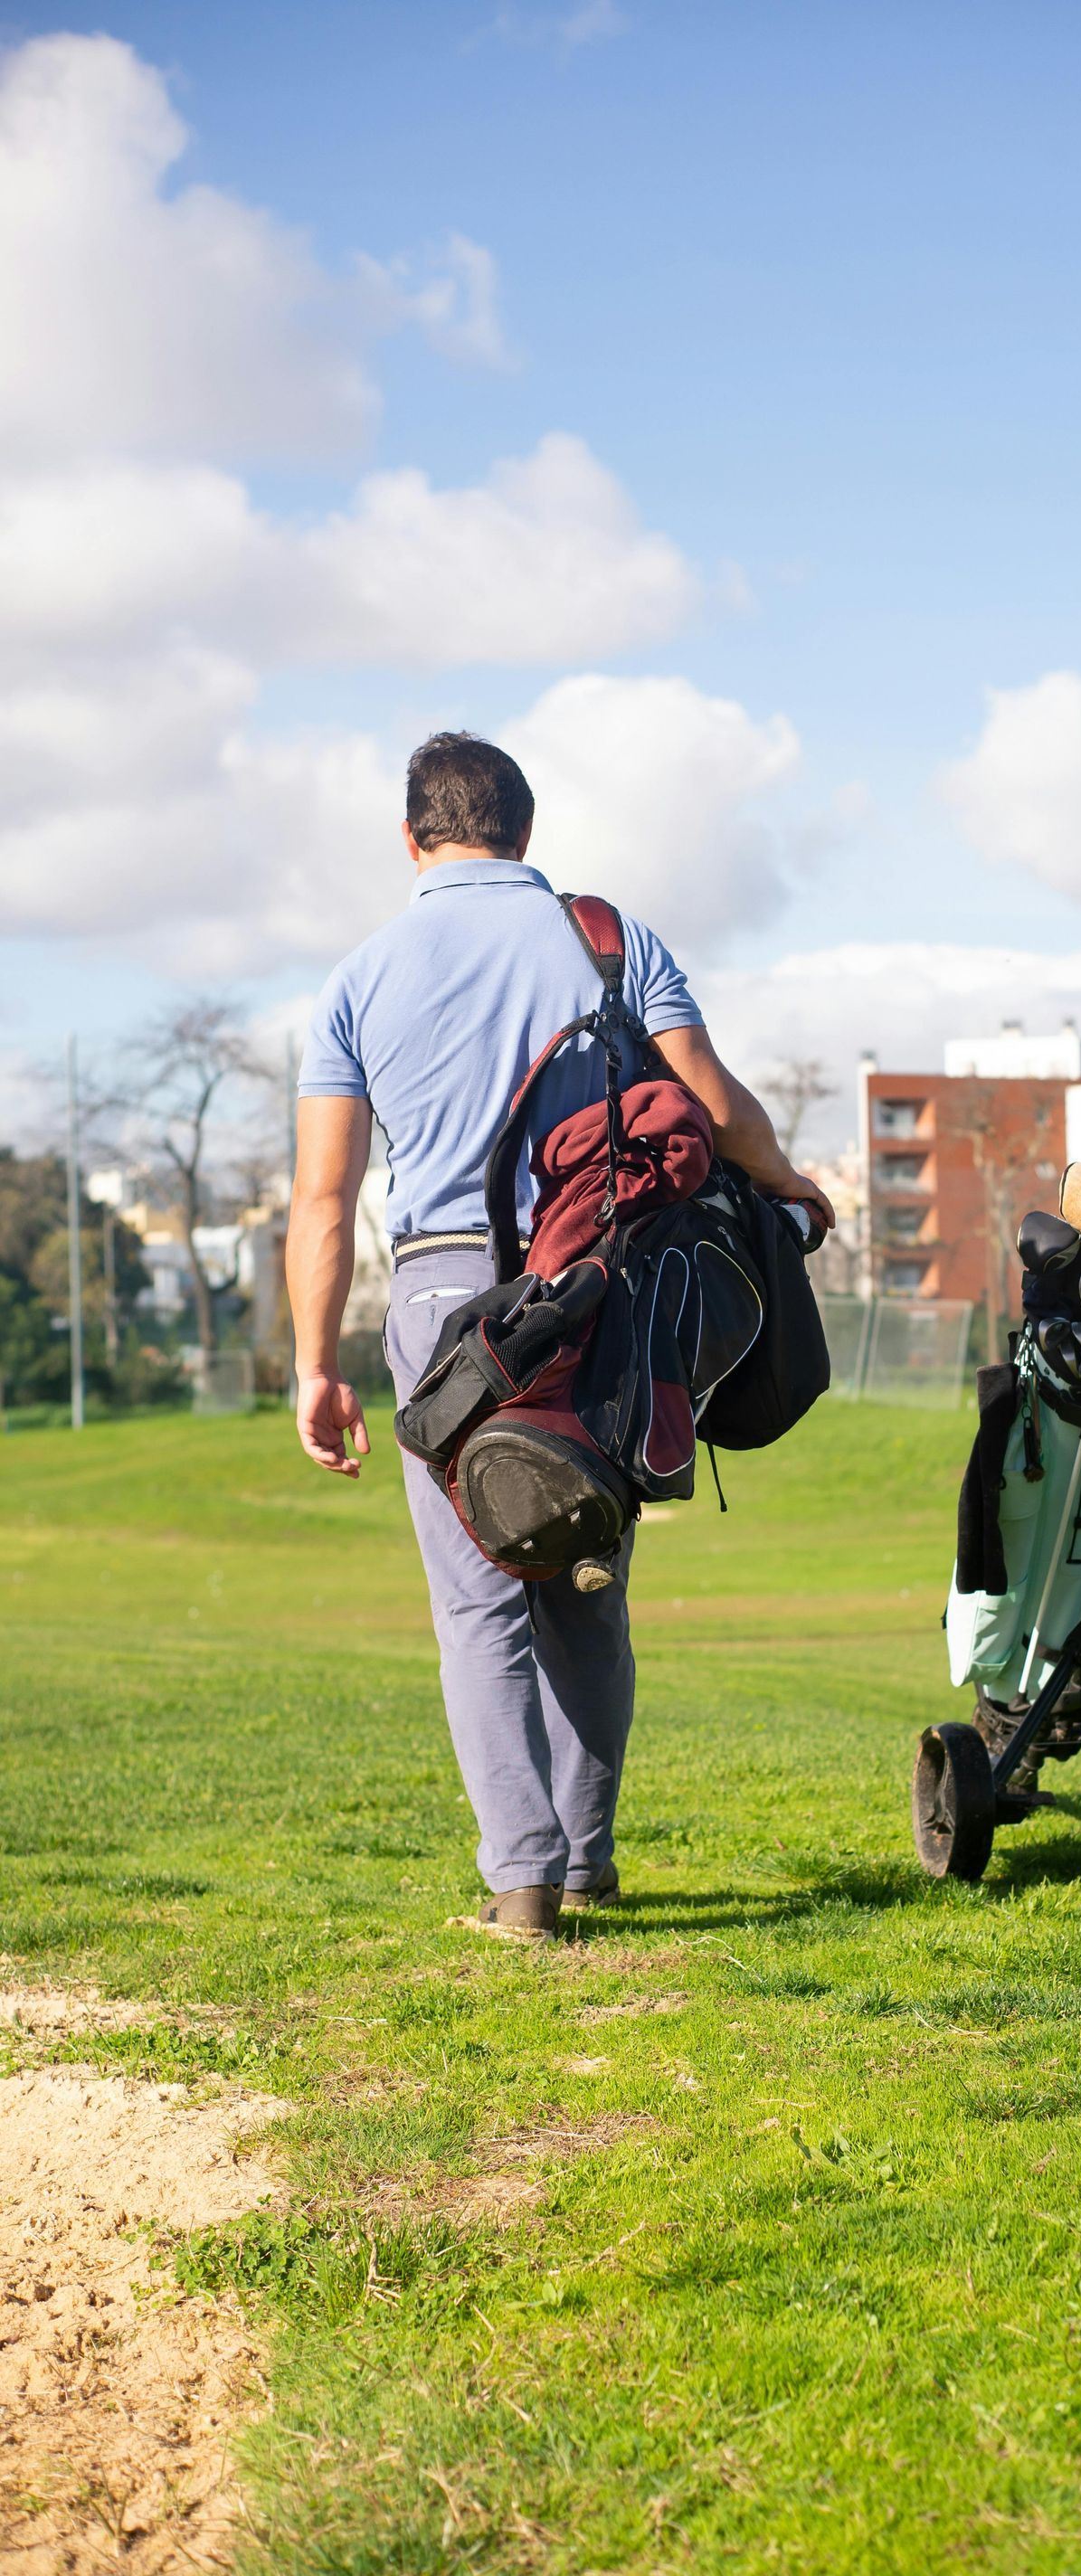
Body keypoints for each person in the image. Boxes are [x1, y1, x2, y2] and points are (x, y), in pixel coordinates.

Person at [286, 732, 833, 1946]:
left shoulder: (359, 977)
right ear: (526, 834)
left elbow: (322, 1199)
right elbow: (712, 1100)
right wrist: (792, 1180)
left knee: (480, 1600)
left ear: (413, 840)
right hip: (595, 1290)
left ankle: (524, 1885)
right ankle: (585, 1864)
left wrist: (315, 1363)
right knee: (586, 1576)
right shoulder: (608, 941)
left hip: (442, 1309)